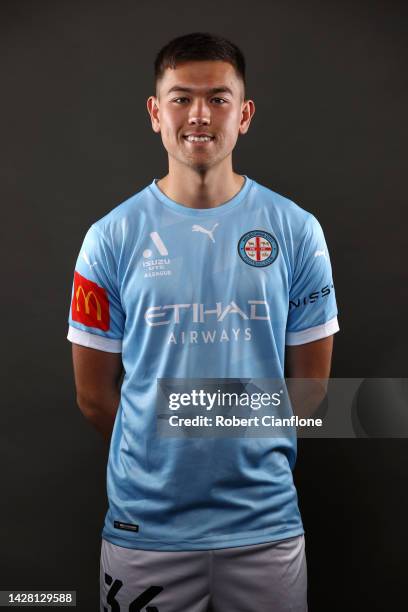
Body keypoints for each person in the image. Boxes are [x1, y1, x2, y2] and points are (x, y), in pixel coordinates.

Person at [67, 32, 339, 611]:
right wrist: (162, 457)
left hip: (264, 529)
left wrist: (228, 441)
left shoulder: (296, 231)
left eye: (218, 98)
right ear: (154, 112)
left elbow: (311, 387)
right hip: (146, 535)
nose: (198, 115)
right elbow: (94, 396)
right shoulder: (108, 239)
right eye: (180, 97)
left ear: (244, 115)